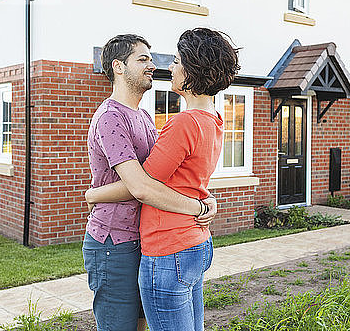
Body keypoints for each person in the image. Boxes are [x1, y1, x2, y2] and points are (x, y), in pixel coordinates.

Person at [86, 28, 240, 331]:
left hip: (152, 239)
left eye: (174, 60)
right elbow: (143, 186)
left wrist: (202, 199)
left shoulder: (145, 116)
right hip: (114, 239)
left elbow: (166, 176)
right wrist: (198, 204)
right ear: (119, 67)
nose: (156, 65)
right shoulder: (110, 117)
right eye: (143, 58)